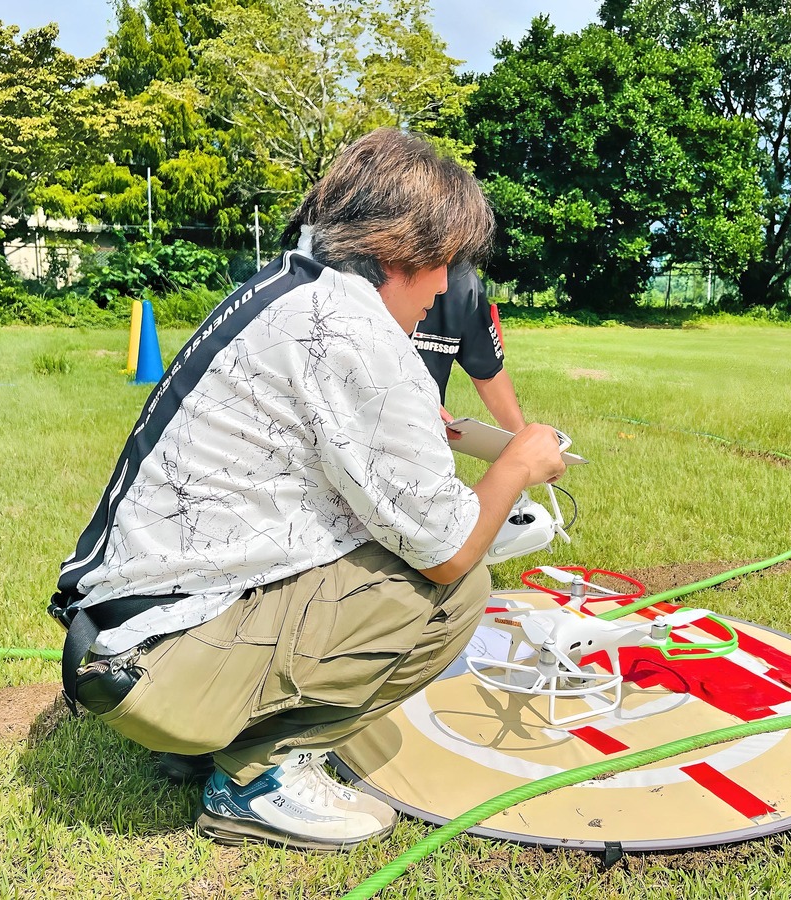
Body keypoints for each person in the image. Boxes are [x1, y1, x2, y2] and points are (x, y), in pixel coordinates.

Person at [48, 128, 567, 851]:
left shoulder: (291, 290)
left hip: (118, 641)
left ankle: (202, 739)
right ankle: (259, 779)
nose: (447, 286)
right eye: (443, 262)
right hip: (157, 664)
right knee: (457, 589)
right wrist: (516, 466)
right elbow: (446, 550)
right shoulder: (357, 331)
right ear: (398, 253)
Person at [413, 265, 526, 434]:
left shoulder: (462, 279)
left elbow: (486, 367)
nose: (443, 286)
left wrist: (521, 438)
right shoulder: (361, 271)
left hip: (422, 438)